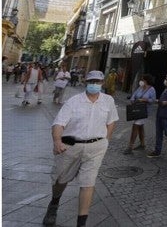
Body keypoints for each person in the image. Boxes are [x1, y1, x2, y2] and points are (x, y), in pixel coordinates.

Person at [41, 70, 118, 227]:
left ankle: (81, 223)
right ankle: (54, 202)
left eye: (97, 82)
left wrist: (106, 140)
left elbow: (111, 121)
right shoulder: (74, 101)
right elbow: (58, 123)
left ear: (102, 83)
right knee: (61, 179)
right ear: (86, 83)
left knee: (88, 183)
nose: (94, 85)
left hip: (96, 148)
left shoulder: (108, 101)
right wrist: (57, 141)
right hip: (70, 146)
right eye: (91, 82)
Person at [124, 74, 156, 155]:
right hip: (137, 109)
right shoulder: (140, 88)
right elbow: (134, 95)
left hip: (144, 111)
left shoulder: (152, 89)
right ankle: (142, 144)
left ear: (146, 81)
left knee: (135, 126)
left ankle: (130, 147)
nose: (141, 81)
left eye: (142, 79)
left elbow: (153, 100)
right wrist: (132, 100)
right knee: (140, 127)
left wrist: (145, 100)